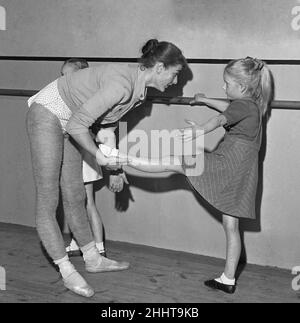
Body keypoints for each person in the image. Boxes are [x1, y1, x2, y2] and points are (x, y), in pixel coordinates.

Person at [26, 39, 187, 297]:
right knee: (48, 198)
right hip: (48, 113)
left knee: (75, 194)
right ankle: (66, 270)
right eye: (175, 74)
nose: (176, 81)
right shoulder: (122, 83)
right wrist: (99, 156)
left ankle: (92, 258)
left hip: (71, 122)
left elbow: (106, 128)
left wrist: (115, 169)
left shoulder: (138, 90)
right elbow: (80, 125)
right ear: (159, 67)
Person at [112, 56, 273, 294]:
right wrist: (205, 100)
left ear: (241, 87)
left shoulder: (242, 106)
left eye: (227, 84)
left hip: (227, 165)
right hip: (242, 172)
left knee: (177, 163)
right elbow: (229, 108)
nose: (223, 87)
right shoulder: (254, 106)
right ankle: (228, 279)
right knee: (231, 224)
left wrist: (200, 130)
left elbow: (221, 118)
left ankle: (124, 159)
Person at [61, 59, 125, 258]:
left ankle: (98, 247)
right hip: (76, 155)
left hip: (85, 157)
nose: (64, 81)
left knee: (87, 202)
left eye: (69, 76)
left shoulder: (92, 100)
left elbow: (106, 134)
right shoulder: (72, 98)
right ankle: (77, 242)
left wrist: (116, 170)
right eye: (62, 76)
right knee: (74, 201)